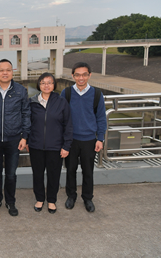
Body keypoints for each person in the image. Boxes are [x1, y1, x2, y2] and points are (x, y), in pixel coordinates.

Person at [0, 59, 30, 216]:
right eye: (1, 70)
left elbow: (26, 114)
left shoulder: (21, 91)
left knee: (10, 174)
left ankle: (10, 201)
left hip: (14, 139)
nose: (5, 73)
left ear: (12, 72)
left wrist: (25, 136)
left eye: (8, 70)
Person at [61, 62, 107, 212]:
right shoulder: (66, 93)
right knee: (71, 169)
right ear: (73, 76)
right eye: (78, 75)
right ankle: (71, 196)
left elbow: (101, 118)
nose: (81, 78)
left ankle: (87, 198)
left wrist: (100, 138)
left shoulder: (97, 94)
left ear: (89, 75)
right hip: (71, 140)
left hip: (89, 139)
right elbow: (60, 117)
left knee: (88, 171)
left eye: (84, 74)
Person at [27, 73, 73, 214]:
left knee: (54, 174)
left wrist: (66, 146)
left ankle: (52, 200)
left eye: (49, 82)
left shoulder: (61, 102)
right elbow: (27, 123)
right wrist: (28, 140)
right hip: (36, 146)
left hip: (55, 146)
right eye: (43, 82)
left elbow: (68, 125)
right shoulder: (32, 102)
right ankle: (40, 199)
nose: (46, 85)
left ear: (54, 85)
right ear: (39, 85)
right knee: (38, 174)